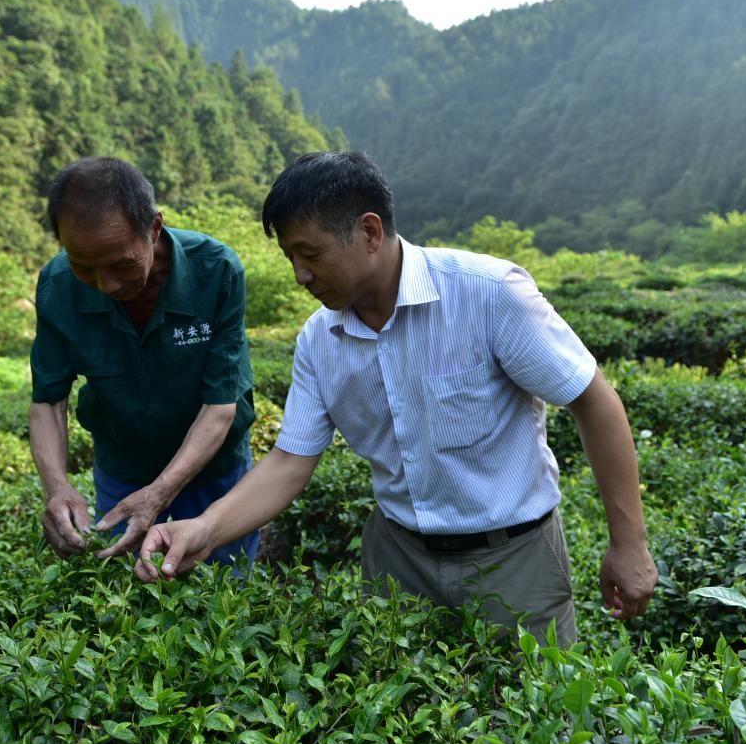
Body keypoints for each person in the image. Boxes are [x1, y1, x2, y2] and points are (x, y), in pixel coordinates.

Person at [135, 151, 657, 644]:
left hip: (514, 560)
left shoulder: (488, 294)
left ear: (369, 231)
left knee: (539, 721)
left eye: (310, 253)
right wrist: (203, 529)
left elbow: (594, 401)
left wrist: (629, 543)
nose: (300, 276)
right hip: (398, 560)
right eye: (290, 256)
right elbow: (291, 462)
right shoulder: (321, 339)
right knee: (405, 723)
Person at [29, 157, 258, 565]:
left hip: (214, 470)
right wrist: (57, 487)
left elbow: (220, 406)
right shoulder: (57, 286)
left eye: (121, 264)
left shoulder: (217, 270)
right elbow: (49, 400)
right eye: (84, 268)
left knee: (225, 592)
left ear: (154, 227)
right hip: (124, 466)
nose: (107, 285)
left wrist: (159, 493)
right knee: (122, 592)